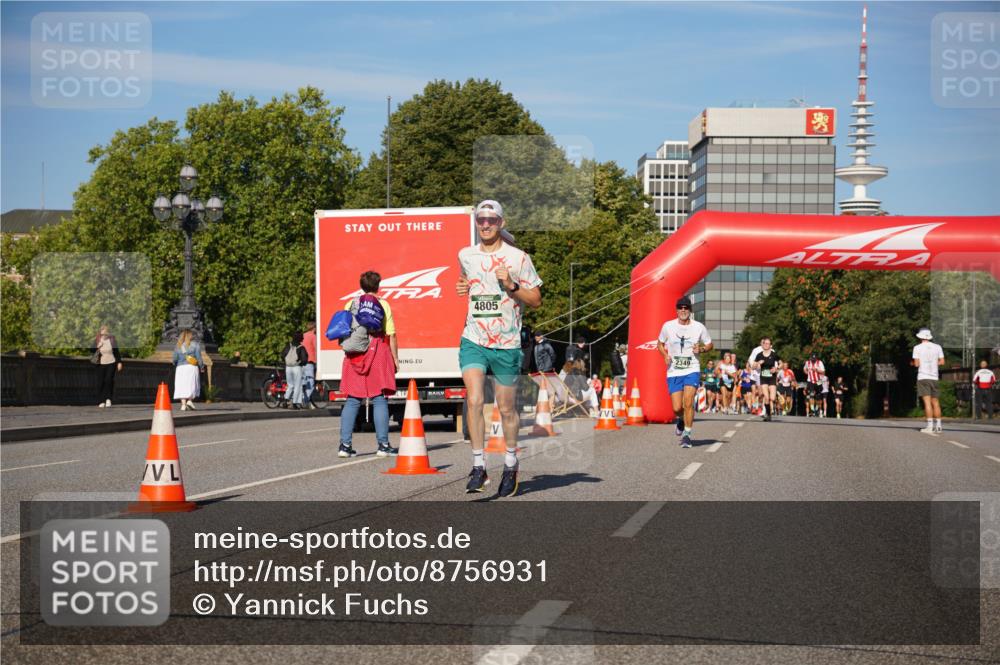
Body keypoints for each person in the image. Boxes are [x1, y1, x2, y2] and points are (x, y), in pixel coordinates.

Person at [456, 200, 542, 496]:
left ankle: (510, 463)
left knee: (506, 408)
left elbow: (536, 299)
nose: (486, 224)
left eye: (492, 219)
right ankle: (478, 466)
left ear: (501, 223)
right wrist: (462, 286)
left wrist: (512, 287)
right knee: (475, 399)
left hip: (506, 343)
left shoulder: (518, 258)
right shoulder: (465, 254)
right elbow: (467, 281)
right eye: (481, 219)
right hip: (474, 339)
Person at [338, 271, 401, 458]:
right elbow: (391, 334)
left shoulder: (350, 303)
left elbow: (345, 329)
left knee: (352, 399)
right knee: (379, 398)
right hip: (378, 351)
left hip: (355, 353)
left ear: (362, 285)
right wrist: (395, 358)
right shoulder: (383, 304)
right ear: (378, 285)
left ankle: (345, 446)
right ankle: (383, 445)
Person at [657, 295, 713, 448]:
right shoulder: (668, 326)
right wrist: (665, 355)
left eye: (686, 308)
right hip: (674, 371)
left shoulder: (698, 327)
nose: (683, 310)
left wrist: (701, 349)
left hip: (692, 369)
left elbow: (709, 344)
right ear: (676, 310)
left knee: (688, 402)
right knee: (677, 408)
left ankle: (687, 435)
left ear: (690, 310)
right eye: (680, 308)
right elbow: (659, 343)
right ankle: (681, 421)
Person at [912, 327, 945, 433]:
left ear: (920, 337)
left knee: (927, 403)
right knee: (936, 402)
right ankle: (939, 426)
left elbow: (917, 364)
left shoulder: (917, 348)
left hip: (923, 377)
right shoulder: (938, 347)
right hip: (934, 377)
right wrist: (933, 363)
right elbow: (942, 362)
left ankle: (930, 427)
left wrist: (913, 363)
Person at [172, 329, 205, 411]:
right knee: (192, 384)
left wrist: (175, 363)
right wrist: (201, 367)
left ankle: (183, 404)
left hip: (181, 368)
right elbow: (199, 358)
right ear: (190, 336)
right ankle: (189, 400)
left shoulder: (178, 345)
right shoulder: (195, 345)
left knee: (181, 385)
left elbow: (174, 359)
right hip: (191, 367)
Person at [92, 325, 123, 407]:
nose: (104, 335)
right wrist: (97, 346)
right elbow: (91, 350)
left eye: (106, 333)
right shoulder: (97, 340)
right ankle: (101, 401)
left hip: (111, 362)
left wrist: (119, 362)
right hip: (101, 364)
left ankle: (108, 399)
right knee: (101, 382)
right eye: (102, 333)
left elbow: (116, 351)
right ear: (100, 333)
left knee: (108, 380)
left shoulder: (112, 340)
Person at [749, 337, 780, 421]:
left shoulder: (773, 354)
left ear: (771, 345)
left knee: (772, 398)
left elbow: (781, 363)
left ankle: (769, 410)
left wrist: (776, 369)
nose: (766, 345)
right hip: (763, 378)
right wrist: (758, 363)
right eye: (765, 343)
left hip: (772, 378)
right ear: (762, 344)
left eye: (768, 344)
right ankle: (768, 414)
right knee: (766, 397)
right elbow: (753, 366)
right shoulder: (759, 355)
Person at [281, 332, 309, 409]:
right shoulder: (301, 347)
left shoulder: (288, 346)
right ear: (300, 338)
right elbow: (304, 359)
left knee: (290, 385)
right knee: (298, 386)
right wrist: (302, 363)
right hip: (297, 367)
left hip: (288, 367)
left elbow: (282, 355)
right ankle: (295, 403)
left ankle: (285, 400)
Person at [803, 353, 826, 418]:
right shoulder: (808, 363)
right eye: (812, 359)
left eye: (814, 359)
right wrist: (806, 372)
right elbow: (804, 369)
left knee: (818, 396)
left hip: (819, 380)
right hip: (810, 380)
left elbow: (823, 372)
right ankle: (813, 410)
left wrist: (817, 370)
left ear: (816, 358)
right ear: (810, 358)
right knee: (811, 394)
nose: (813, 360)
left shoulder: (820, 363)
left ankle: (818, 408)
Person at [301, 321, 318, 409]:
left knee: (303, 382)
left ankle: (300, 399)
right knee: (311, 382)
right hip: (309, 362)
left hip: (301, 362)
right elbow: (316, 349)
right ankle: (305, 399)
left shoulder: (303, 336)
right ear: (314, 328)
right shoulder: (313, 336)